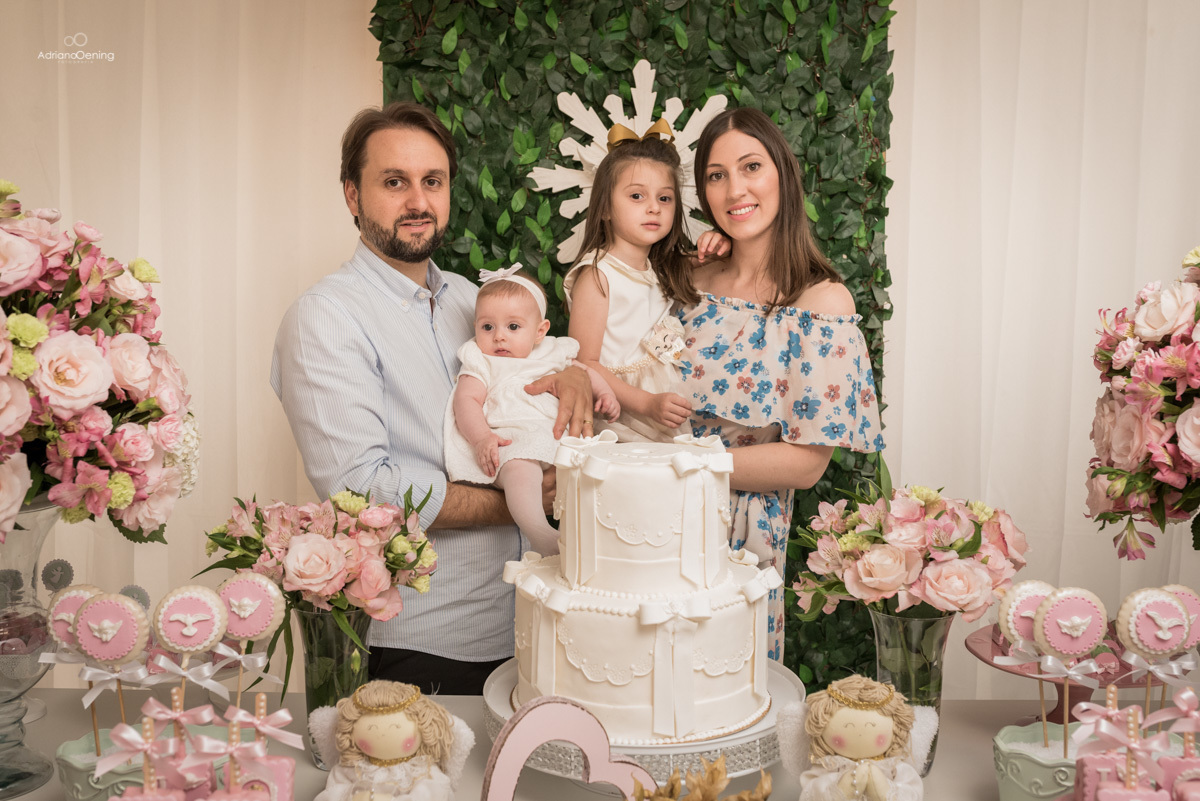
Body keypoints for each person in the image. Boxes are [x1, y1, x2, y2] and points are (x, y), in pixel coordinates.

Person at [270, 102, 592, 695]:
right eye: (394, 182)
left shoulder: (476, 302)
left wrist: (571, 376)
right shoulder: (327, 317)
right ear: (352, 195)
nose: (418, 201)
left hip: (535, 623)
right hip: (428, 642)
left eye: (433, 181)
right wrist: (522, 500)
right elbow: (363, 489)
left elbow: (536, 379)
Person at [680, 107, 885, 661]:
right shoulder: (688, 280)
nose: (734, 189)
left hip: (740, 535)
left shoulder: (821, 303)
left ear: (783, 176)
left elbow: (805, 463)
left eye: (750, 167)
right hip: (648, 519)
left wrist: (676, 468)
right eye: (716, 175)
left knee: (718, 698)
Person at [564, 127, 729, 443]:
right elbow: (584, 364)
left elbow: (709, 260)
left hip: (663, 400)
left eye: (664, 198)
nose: (654, 207)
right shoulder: (598, 276)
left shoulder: (658, 268)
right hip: (620, 410)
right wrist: (646, 404)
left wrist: (717, 242)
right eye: (637, 195)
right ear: (606, 209)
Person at [445, 265, 618, 554]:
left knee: (601, 466)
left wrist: (605, 394)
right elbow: (466, 401)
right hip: (512, 439)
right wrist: (481, 438)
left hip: (560, 437)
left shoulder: (552, 351)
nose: (499, 336)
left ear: (540, 331)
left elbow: (583, 372)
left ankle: (604, 537)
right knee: (519, 470)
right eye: (487, 326)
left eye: (513, 327)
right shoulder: (480, 360)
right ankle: (539, 532)